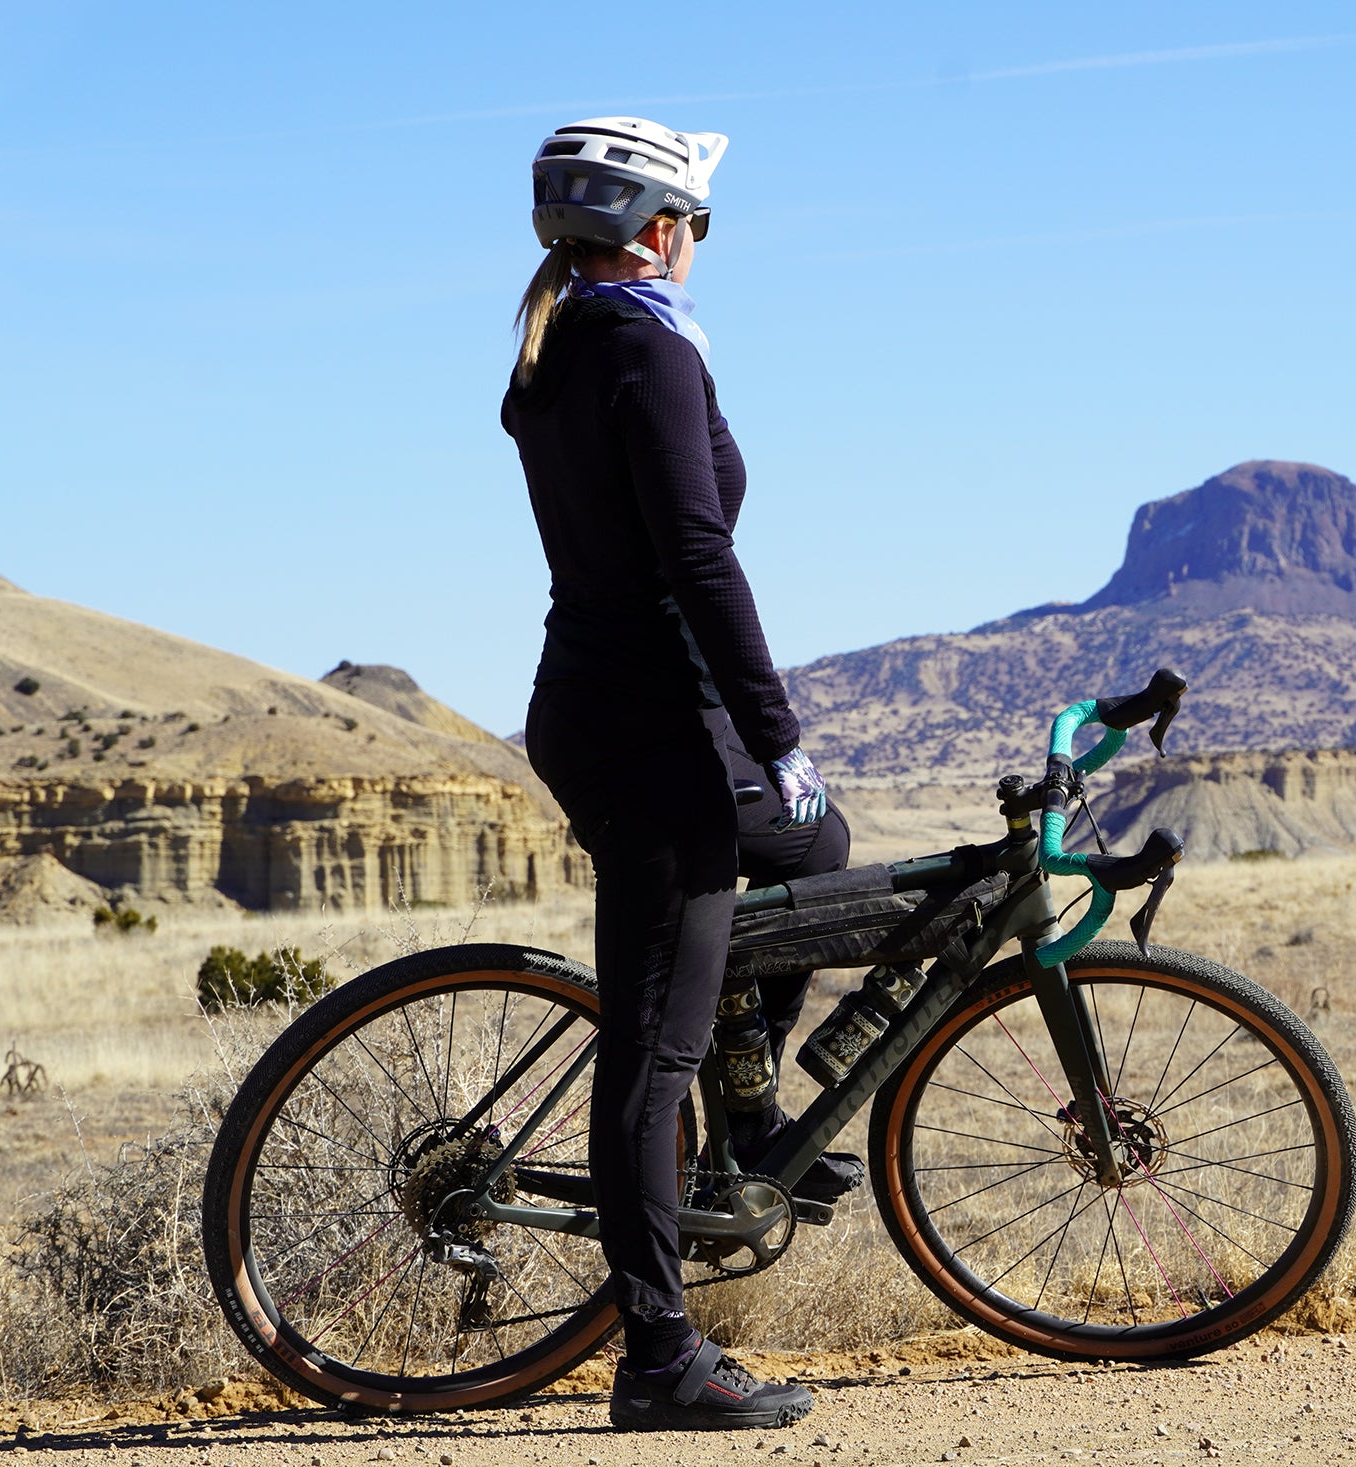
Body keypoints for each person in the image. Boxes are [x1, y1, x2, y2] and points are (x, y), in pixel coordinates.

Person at [503, 115, 840, 1433]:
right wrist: (777, 731)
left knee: (814, 855)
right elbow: (701, 561)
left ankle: (750, 1110)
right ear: (655, 228)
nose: (702, 244)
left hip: (618, 709)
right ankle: (660, 1358)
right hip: (653, 734)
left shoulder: (579, 341)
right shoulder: (641, 352)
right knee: (650, 1059)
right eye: (698, 221)